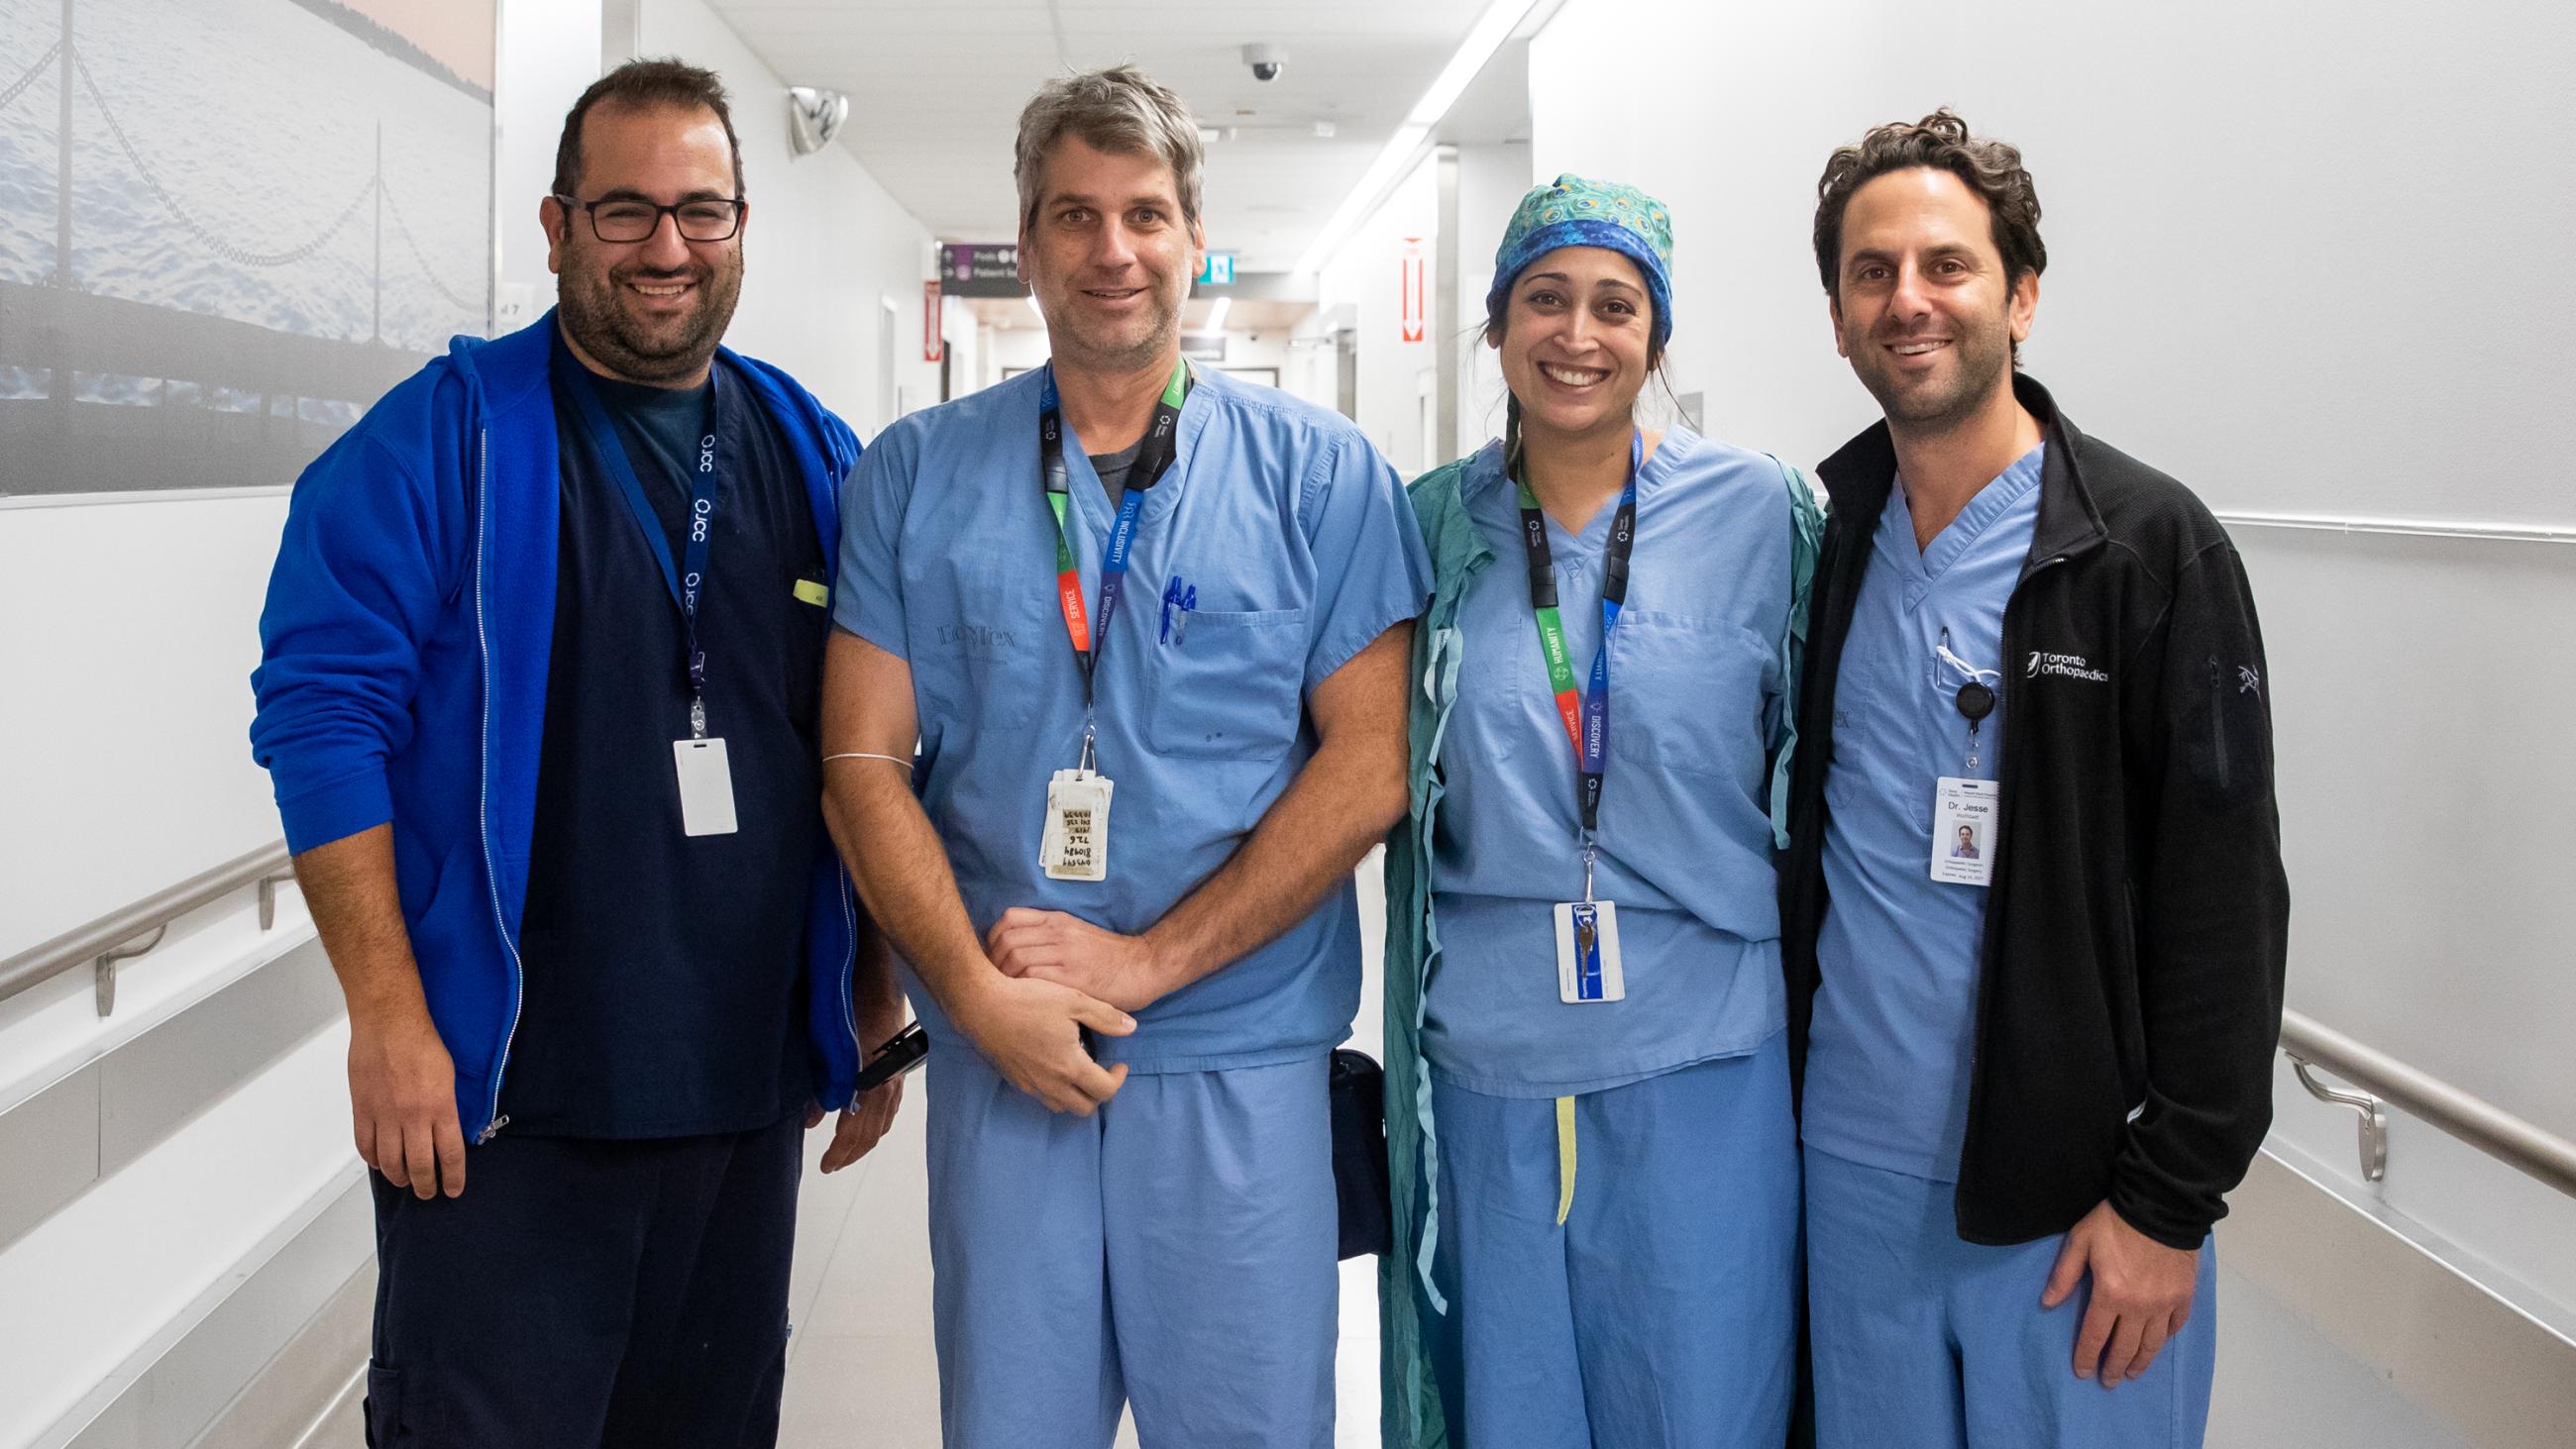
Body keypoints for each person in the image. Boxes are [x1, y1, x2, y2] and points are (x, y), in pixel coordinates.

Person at [249, 59, 903, 1449]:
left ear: (739, 228)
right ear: (557, 227)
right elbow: (322, 723)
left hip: (739, 1092)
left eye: (702, 212)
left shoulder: (810, 448)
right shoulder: (438, 444)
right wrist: (386, 1017)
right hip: (509, 1107)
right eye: (625, 211)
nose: (668, 248)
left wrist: (870, 986)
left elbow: (869, 741)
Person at [820, 65, 1430, 1448]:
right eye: (1074, 216)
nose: (1112, 250)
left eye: (1144, 214)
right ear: (1027, 243)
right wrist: (973, 993)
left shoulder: (1319, 476)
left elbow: (1373, 759)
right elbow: (861, 758)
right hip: (1006, 1049)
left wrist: (1149, 962)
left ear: (1192, 234)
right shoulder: (912, 474)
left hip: (1236, 1058)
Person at [1779, 109, 2290, 1447]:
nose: (1909, 301)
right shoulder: (1831, 543)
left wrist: (2171, 1197)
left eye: (1946, 264)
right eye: (1871, 271)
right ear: (1836, 314)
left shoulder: (2145, 549)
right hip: (1853, 1175)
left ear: (2022, 291)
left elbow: (2225, 892)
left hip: (2080, 1204)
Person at [1376, 174, 1822, 1449]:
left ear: (1656, 336)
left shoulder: (1765, 518)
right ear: (1496, 325)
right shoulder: (1426, 528)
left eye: (1613, 306)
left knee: (1701, 1401)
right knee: (1507, 1410)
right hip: (1489, 1057)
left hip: (1705, 1057)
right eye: (1545, 299)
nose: (1577, 334)